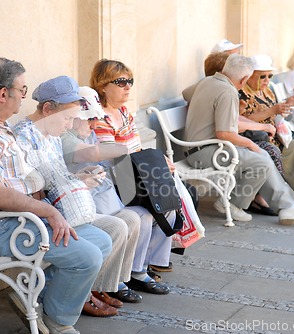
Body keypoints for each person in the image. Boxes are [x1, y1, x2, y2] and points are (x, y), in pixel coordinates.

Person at [0, 58, 112, 334]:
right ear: (2, 94)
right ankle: (58, 322)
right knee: (87, 257)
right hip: (0, 226)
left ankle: (36, 302)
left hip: (23, 218)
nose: (24, 97)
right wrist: (50, 211)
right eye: (22, 90)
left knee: (101, 241)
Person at [12, 76, 144, 317]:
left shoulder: (49, 134)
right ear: (48, 109)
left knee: (110, 233)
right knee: (106, 236)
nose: (69, 125)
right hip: (43, 217)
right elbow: (29, 190)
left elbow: (54, 178)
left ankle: (62, 292)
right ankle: (57, 302)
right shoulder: (24, 137)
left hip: (60, 210)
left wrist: (79, 178)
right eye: (67, 118)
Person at [184, 54, 294, 225]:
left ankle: (288, 207)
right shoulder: (227, 91)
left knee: (262, 155)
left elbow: (185, 93)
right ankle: (234, 203)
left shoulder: (208, 81)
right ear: (244, 79)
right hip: (206, 152)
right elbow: (224, 134)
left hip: (201, 148)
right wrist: (250, 144)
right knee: (260, 159)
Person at [90, 59, 175, 296]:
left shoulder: (124, 112)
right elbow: (113, 159)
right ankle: (134, 273)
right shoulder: (99, 118)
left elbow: (136, 150)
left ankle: (146, 265)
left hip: (134, 176)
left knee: (169, 203)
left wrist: (159, 165)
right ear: (102, 85)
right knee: (145, 214)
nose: (128, 87)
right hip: (113, 181)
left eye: (130, 81)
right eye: (121, 82)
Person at [60, 86, 145, 303]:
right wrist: (125, 151)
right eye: (89, 119)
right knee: (121, 224)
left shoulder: (85, 134)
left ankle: (112, 282)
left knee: (135, 217)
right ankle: (98, 286)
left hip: (94, 199)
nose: (94, 123)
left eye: (96, 118)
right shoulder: (66, 137)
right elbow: (94, 154)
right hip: (77, 207)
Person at [239, 54, 294, 204]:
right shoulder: (242, 93)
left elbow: (273, 110)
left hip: (273, 134)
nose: (267, 80)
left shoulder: (266, 90)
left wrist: (287, 103)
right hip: (255, 137)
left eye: (270, 76)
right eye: (262, 77)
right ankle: (265, 194)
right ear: (249, 76)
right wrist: (272, 111)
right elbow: (241, 121)